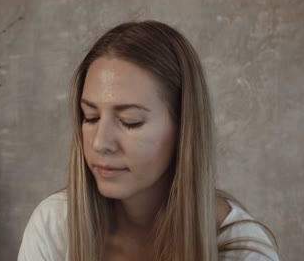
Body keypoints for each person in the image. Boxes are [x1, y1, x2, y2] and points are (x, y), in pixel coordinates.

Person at [18, 20, 280, 261]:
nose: (100, 143)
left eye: (130, 121)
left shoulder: (244, 251)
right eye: (90, 117)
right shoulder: (55, 224)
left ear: (183, 128)